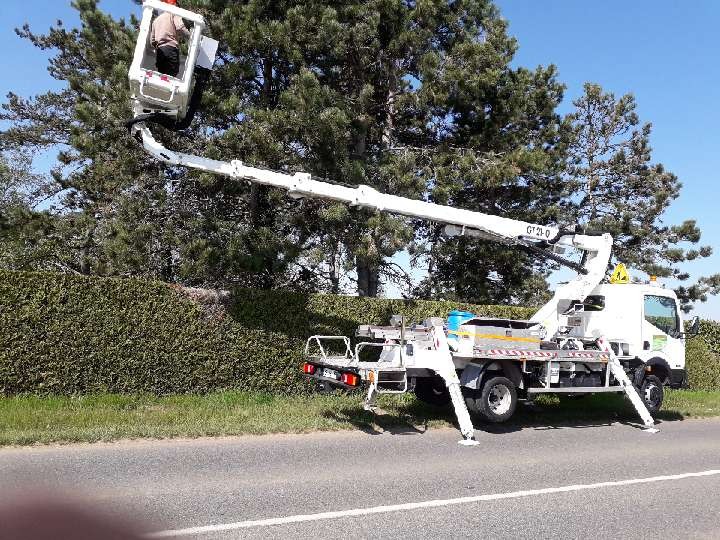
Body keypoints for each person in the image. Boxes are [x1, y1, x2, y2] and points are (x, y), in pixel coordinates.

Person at [151, 0, 190, 77]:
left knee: (162, 76)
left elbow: (152, 41)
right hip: (171, 49)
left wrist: (159, 46)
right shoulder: (174, 14)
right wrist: (190, 36)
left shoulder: (155, 21)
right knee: (171, 75)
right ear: (175, 6)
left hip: (160, 51)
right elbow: (180, 27)